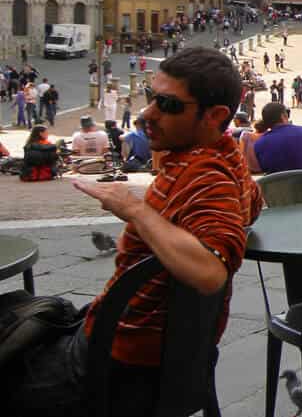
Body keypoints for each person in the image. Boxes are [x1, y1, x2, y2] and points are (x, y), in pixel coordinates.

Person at [0, 47, 262, 417]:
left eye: (168, 106)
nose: (147, 114)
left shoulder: (206, 177)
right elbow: (254, 203)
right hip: (165, 355)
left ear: (215, 116)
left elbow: (209, 271)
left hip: (116, 367)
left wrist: (134, 208)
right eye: (152, 98)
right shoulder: (227, 158)